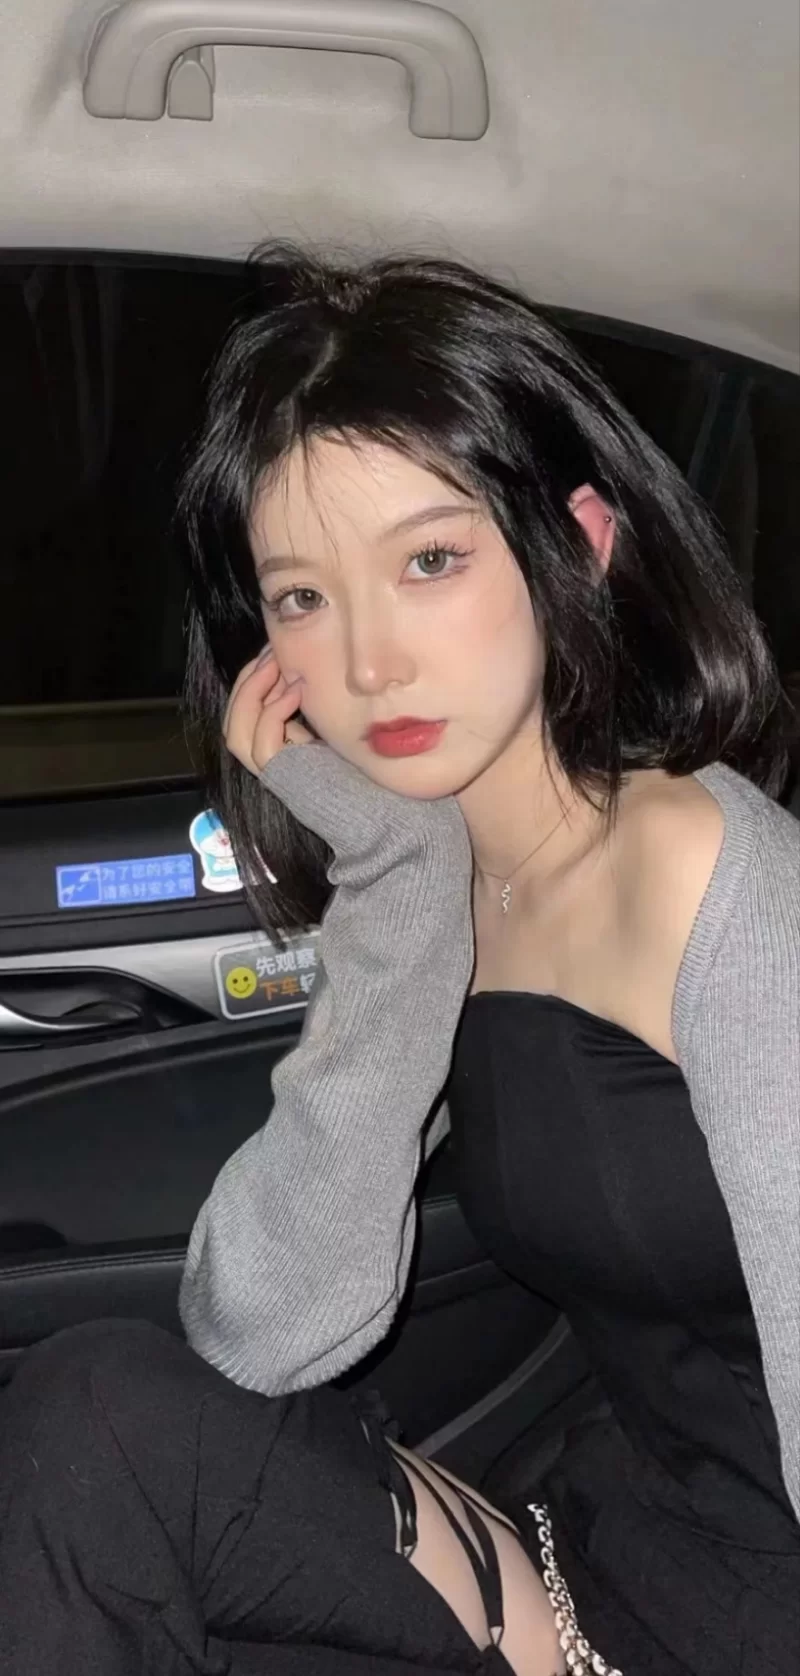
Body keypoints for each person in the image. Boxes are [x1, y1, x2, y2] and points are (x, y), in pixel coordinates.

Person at [1, 247, 798, 1676]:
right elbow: (266, 1336)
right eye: (302, 598)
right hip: (586, 1540)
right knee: (93, 1419)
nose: (368, 664)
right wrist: (397, 885)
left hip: (747, 1616)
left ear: (580, 547)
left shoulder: (708, 873)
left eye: (431, 561)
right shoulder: (453, 881)